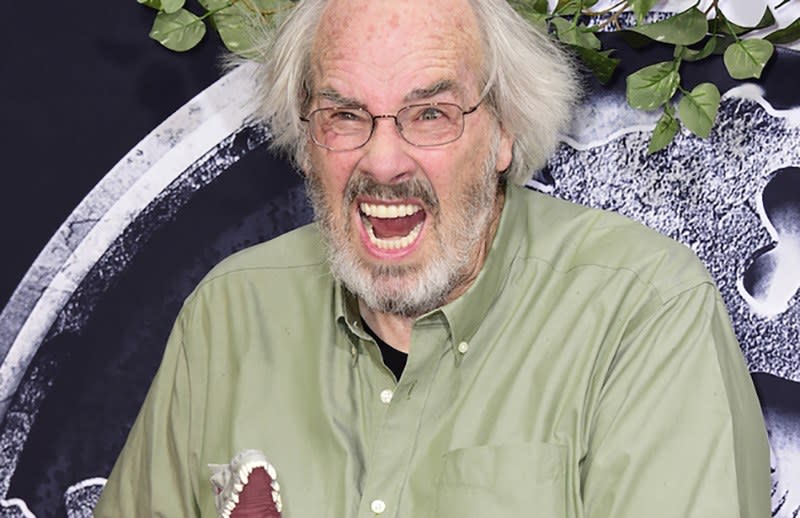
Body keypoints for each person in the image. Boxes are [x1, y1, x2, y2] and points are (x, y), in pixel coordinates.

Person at [95, 0, 770, 516]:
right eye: (345, 116)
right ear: (306, 135)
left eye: (430, 115)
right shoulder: (228, 315)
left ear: (504, 131)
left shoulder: (646, 314)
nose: (382, 163)